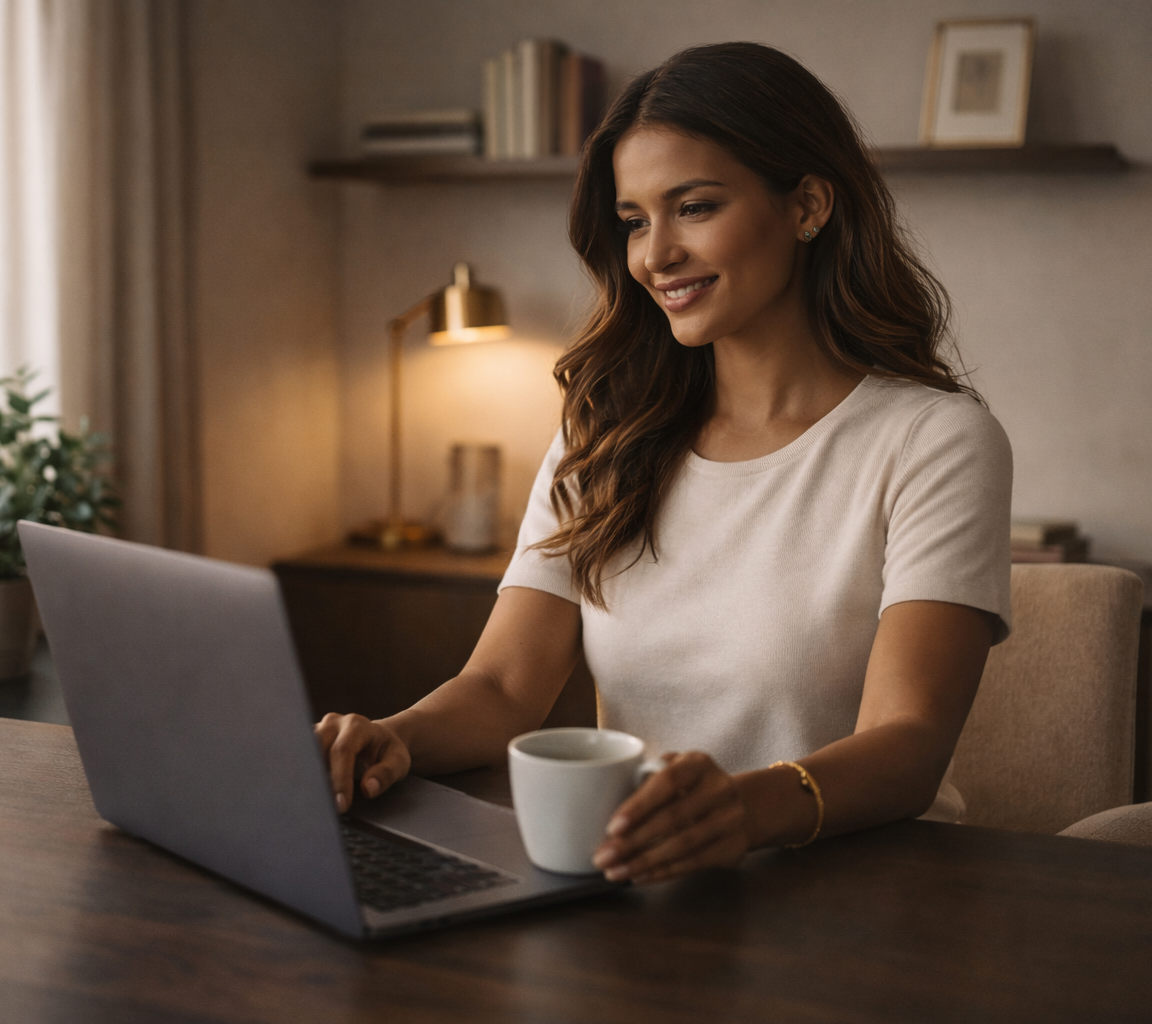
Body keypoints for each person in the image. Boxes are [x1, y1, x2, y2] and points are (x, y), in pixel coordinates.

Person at [317, 42, 1012, 884]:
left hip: (859, 888)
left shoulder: (933, 439)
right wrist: (395, 737)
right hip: (651, 888)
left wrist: (739, 810)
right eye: (635, 220)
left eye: (695, 207)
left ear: (809, 205)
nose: (655, 255)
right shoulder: (605, 433)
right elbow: (502, 686)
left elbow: (906, 749)